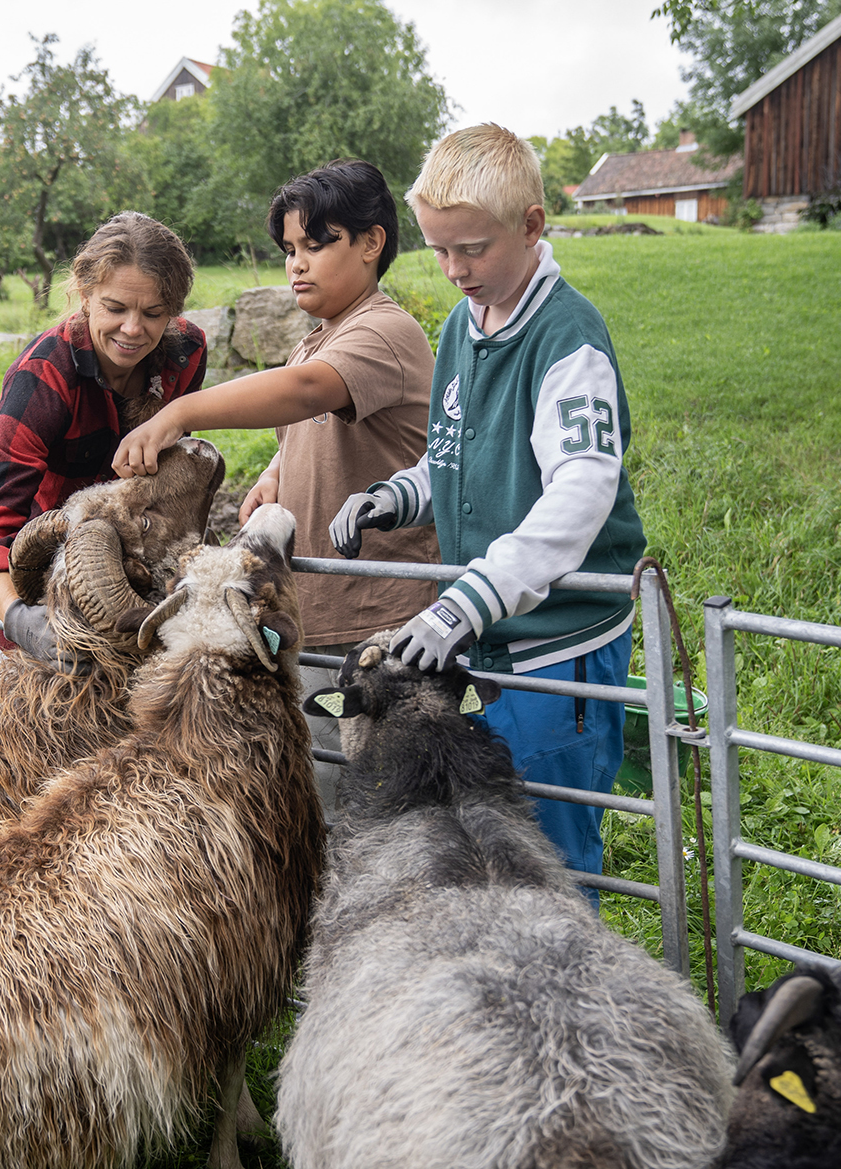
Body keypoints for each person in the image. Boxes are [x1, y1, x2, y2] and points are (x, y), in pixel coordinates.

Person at [330, 125, 647, 886]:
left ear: (531, 225)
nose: (452, 269)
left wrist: (464, 602)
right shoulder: (460, 328)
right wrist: (393, 495)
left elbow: (578, 494)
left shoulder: (567, 339)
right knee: (493, 836)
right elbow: (451, 456)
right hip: (483, 633)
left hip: (554, 645)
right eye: (438, 250)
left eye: (470, 248)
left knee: (552, 851)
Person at [112, 160, 439, 809]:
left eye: (316, 244)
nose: (296, 263)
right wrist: (273, 474)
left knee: (378, 805)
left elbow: (304, 392)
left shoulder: (385, 330)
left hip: (379, 626)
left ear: (371, 242)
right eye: (289, 248)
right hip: (317, 618)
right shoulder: (316, 341)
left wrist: (179, 410)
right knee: (318, 794)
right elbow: (308, 423)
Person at [0, 212, 207, 665]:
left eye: (154, 313)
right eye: (115, 308)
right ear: (84, 291)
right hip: (49, 593)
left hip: (139, 582)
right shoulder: (42, 377)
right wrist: (19, 618)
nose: (133, 330)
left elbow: (167, 483)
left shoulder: (186, 353)